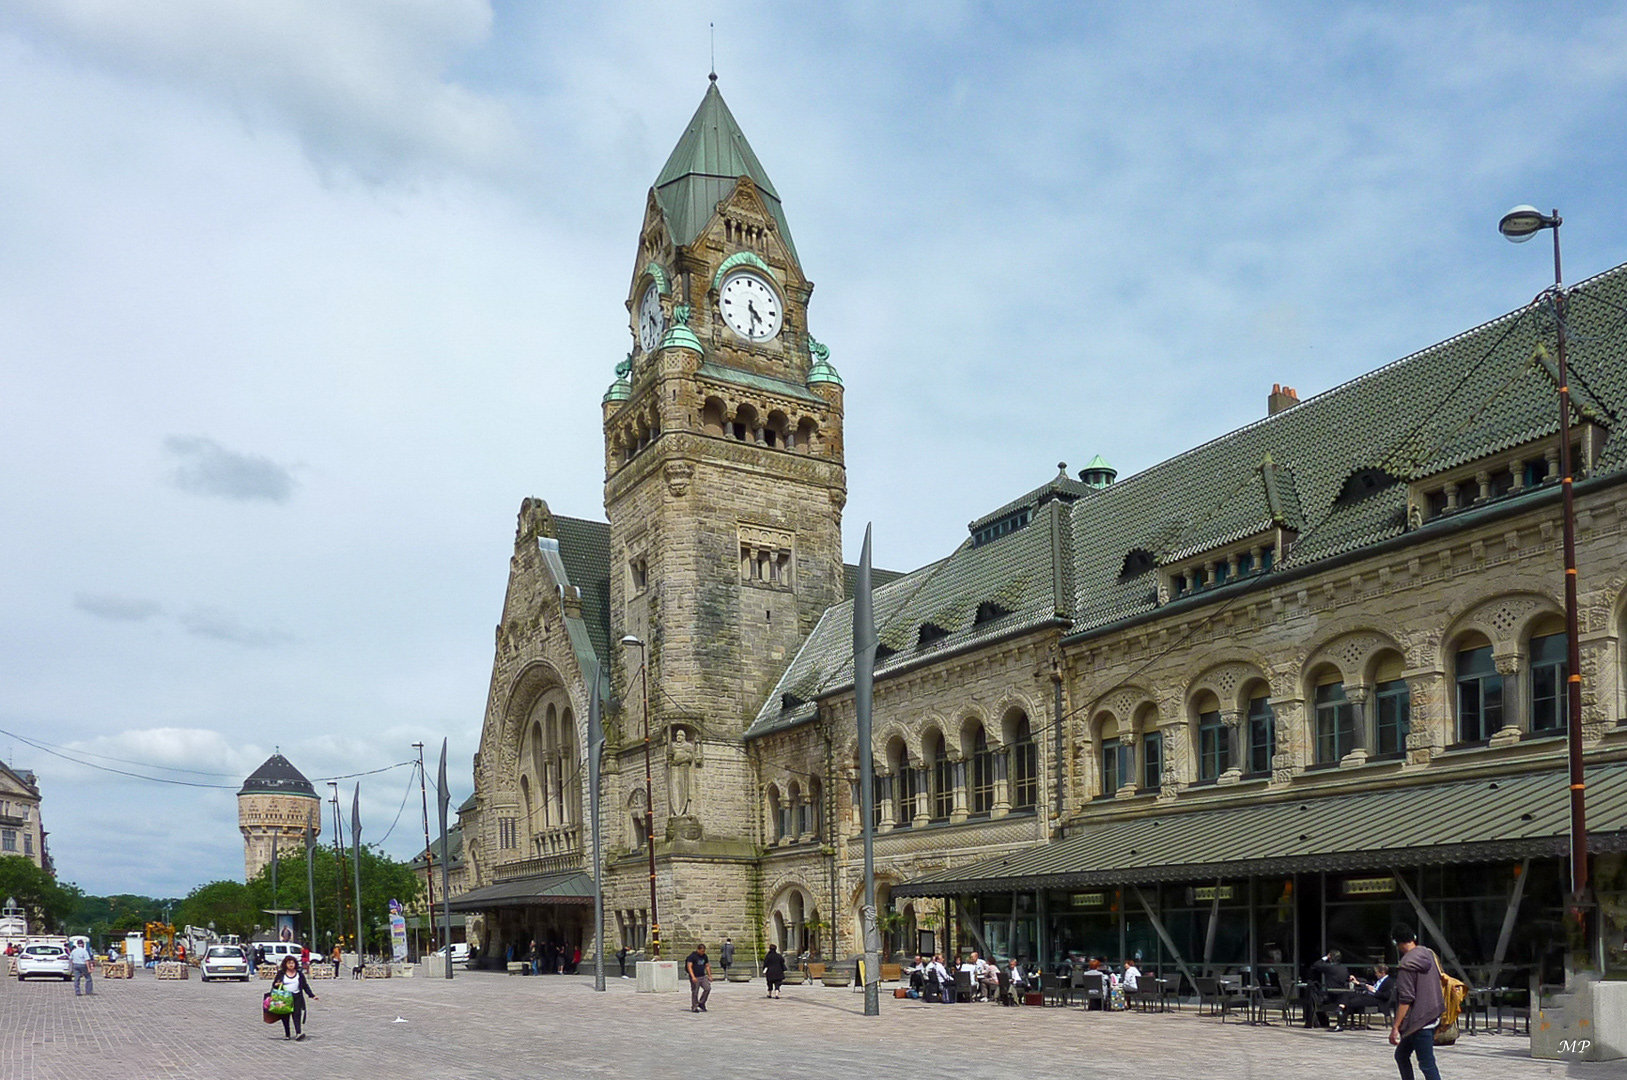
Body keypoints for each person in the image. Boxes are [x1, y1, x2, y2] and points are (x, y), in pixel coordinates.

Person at [1389, 926, 1445, 1080]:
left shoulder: (1406, 965)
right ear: (1413, 937)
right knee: (1401, 1055)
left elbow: (1406, 999)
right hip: (1432, 1013)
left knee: (1427, 1064)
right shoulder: (1428, 954)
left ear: (1397, 943)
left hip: (1419, 1021)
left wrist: (1395, 1027)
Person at [271, 955, 319, 1041]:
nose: (291, 965)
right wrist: (276, 985)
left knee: (297, 1014)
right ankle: (287, 1034)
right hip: (285, 997)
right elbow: (274, 985)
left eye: (292, 963)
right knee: (285, 1015)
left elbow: (305, 985)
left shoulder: (299, 974)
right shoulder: (281, 973)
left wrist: (312, 995)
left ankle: (298, 1033)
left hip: (297, 996)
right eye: (289, 963)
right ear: (285, 964)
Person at [685, 942, 712, 1013]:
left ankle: (701, 1003)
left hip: (702, 976)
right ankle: (694, 1006)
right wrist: (693, 976)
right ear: (698, 950)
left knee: (707, 988)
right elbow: (689, 966)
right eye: (702, 951)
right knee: (695, 992)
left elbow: (707, 965)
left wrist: (709, 975)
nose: (703, 953)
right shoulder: (692, 956)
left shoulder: (705, 956)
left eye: (704, 951)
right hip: (695, 976)